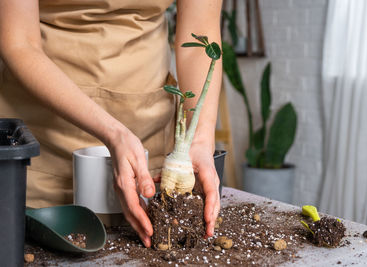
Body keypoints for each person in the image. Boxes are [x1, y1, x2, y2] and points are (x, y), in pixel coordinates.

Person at [0, 0, 222, 248]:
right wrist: (114, 133)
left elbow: (199, 35)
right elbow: (19, 44)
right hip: (44, 151)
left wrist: (200, 141)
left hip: (148, 153)